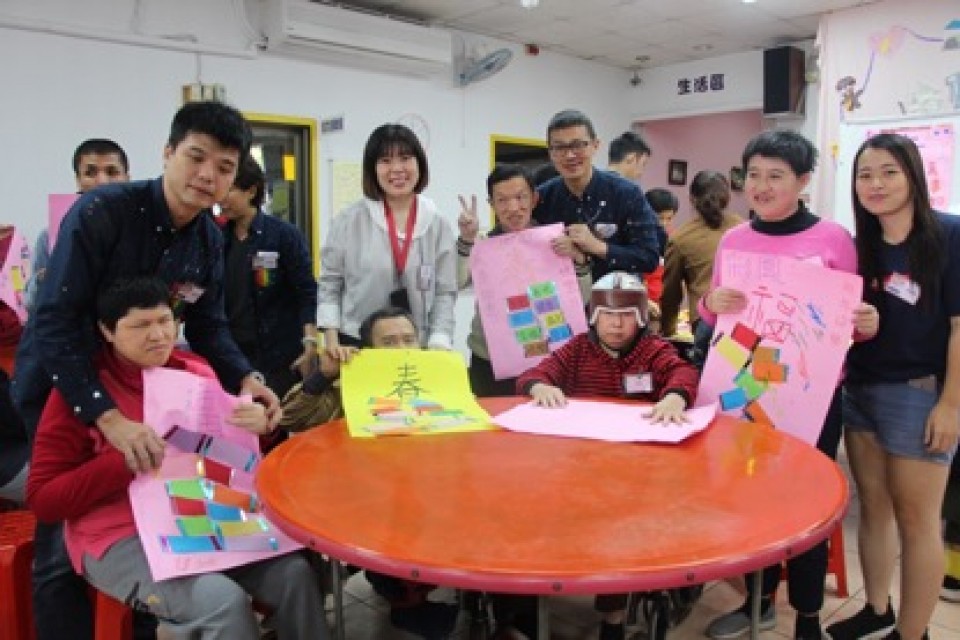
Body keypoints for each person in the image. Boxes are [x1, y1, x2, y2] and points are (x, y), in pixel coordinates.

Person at [11, 100, 281, 640]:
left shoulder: (207, 238)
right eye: (196, 157)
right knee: (64, 545)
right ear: (168, 152)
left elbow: (208, 325)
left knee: (151, 516)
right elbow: (55, 321)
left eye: (224, 167)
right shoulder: (103, 212)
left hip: (142, 389)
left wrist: (247, 380)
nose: (207, 175)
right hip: (65, 384)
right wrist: (106, 417)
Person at [26, 277, 327, 640]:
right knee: (222, 602)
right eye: (139, 326)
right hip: (118, 533)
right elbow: (43, 499)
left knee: (295, 575)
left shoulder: (194, 371)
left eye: (165, 321)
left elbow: (225, 460)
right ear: (107, 331)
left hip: (202, 517)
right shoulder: (83, 394)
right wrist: (122, 463)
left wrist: (260, 431)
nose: (157, 335)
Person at [699, 131, 876, 640]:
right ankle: (758, 604)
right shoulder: (734, 239)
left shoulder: (833, 239)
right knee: (750, 502)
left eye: (775, 175)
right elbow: (712, 314)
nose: (761, 185)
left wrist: (863, 322)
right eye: (753, 175)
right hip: (747, 390)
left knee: (807, 505)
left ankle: (808, 617)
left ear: (802, 181)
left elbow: (848, 322)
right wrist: (713, 303)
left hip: (811, 398)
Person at [826, 133, 960, 640]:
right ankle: (877, 609)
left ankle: (913, 632)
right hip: (860, 388)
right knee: (874, 507)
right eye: (865, 174)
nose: (875, 184)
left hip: (918, 392)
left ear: (913, 177)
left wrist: (951, 405)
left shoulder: (949, 236)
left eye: (888, 172)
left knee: (918, 519)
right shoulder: (857, 247)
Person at [516, 272, 699, 640]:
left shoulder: (653, 350)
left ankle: (613, 618)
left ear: (641, 317)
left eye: (626, 315)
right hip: (579, 467)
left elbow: (683, 372)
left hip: (636, 473)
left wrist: (675, 396)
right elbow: (534, 373)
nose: (617, 324)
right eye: (609, 315)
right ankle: (528, 602)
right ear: (594, 317)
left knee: (622, 533)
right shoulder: (577, 349)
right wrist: (539, 387)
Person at [318, 123, 456, 363]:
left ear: (419, 164)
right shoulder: (348, 220)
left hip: (415, 346)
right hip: (356, 347)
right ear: (372, 169)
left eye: (405, 158)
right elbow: (330, 283)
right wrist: (331, 341)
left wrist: (439, 343)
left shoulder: (437, 223)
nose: (397, 169)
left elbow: (445, 291)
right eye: (385, 161)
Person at [455, 163, 592, 398]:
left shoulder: (557, 241)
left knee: (549, 414)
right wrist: (467, 240)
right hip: (490, 357)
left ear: (534, 198)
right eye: (502, 200)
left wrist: (578, 259)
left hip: (550, 356)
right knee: (493, 418)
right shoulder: (483, 244)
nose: (513, 208)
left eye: (520, 197)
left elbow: (581, 299)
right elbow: (457, 282)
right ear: (492, 204)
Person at [220, 154, 318, 400]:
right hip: (231, 355)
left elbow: (306, 292)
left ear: (251, 191)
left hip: (277, 356)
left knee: (276, 417)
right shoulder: (216, 237)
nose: (221, 197)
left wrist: (310, 343)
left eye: (229, 189)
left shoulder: (283, 235)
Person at [533, 109, 660, 282]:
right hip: (558, 295)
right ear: (550, 152)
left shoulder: (626, 193)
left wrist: (597, 246)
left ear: (595, 145)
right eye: (560, 147)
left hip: (615, 296)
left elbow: (649, 258)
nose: (569, 155)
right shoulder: (542, 198)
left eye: (578, 145)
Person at [25, 138, 131, 312]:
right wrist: (47, 277)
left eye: (112, 172)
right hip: (73, 324)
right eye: (90, 173)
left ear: (127, 178)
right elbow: (31, 304)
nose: (102, 181)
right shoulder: (52, 236)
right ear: (78, 180)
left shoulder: (145, 229)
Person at [659, 171, 743, 338]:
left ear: (691, 198)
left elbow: (671, 294)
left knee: (709, 356)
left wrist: (668, 331)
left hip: (706, 321)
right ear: (728, 198)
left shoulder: (681, 238)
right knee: (741, 356)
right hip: (743, 320)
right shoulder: (743, 229)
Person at [639, 187, 677, 307]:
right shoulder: (637, 237)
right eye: (659, 218)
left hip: (666, 302)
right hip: (642, 302)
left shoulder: (673, 238)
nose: (664, 223)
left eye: (669, 218)